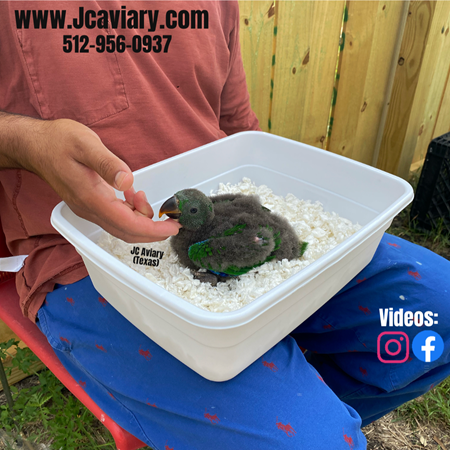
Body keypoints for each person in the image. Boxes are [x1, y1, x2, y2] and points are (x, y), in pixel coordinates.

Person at [0, 1, 449, 449]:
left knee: (437, 312)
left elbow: (238, 131)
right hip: (80, 255)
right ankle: (296, 420)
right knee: (315, 441)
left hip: (235, 212)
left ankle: (303, 408)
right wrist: (27, 141)